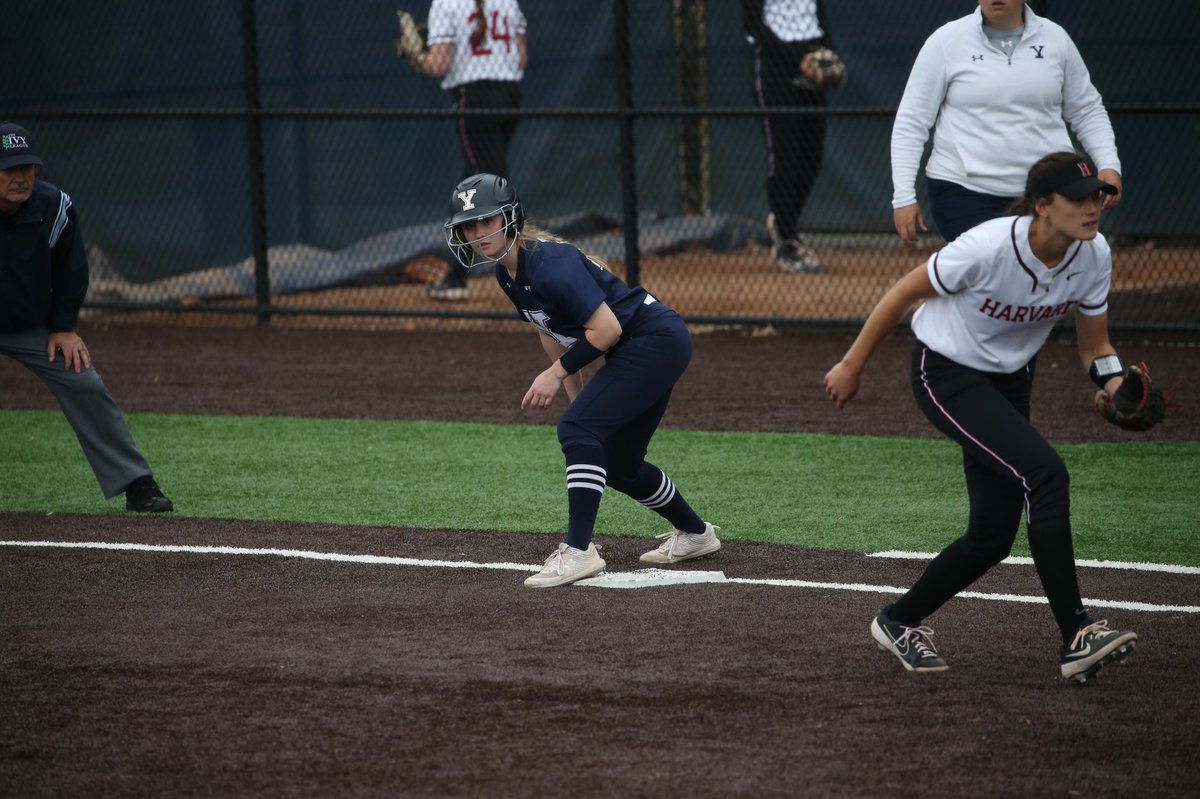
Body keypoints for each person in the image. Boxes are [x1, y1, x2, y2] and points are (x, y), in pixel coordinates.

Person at [824, 152, 1137, 684]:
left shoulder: (1093, 255)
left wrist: (1115, 382)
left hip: (1010, 380)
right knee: (1045, 473)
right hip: (945, 371)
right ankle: (1077, 634)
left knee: (992, 534)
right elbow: (903, 293)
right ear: (1042, 206)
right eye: (1079, 197)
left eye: (1098, 196)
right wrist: (851, 365)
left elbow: (1096, 346)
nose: (1093, 207)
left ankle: (898, 621)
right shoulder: (988, 246)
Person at [442, 173, 720, 588]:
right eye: (469, 226)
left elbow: (606, 330)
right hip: (642, 346)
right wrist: (578, 397)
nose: (479, 233)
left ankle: (579, 551)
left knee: (578, 430)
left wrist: (556, 378)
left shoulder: (549, 263)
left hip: (654, 340)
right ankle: (697, 535)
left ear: (511, 218)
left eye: (488, 221)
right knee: (619, 463)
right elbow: (550, 330)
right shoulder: (508, 272)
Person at [0, 122, 173, 513]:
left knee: (83, 379)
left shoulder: (54, 206)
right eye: (9, 168)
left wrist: (64, 327)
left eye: (26, 167)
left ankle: (136, 482)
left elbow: (72, 270)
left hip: (31, 324)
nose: (20, 178)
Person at [891, 0, 1122, 246]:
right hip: (964, 191)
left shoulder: (1056, 38)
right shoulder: (945, 41)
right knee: (992, 269)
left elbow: (1087, 110)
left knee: (1048, 273)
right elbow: (911, 121)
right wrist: (904, 196)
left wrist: (1108, 163)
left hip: (1047, 190)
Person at [400, 0, 527, 301]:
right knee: (472, 186)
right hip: (510, 97)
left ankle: (530, 274)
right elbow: (520, 59)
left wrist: (416, 56)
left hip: (475, 99)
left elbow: (438, 65)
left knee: (489, 188)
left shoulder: (446, 4)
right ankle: (455, 274)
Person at [743, 0, 843, 274]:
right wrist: (797, 60)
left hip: (811, 55)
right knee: (784, 157)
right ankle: (787, 241)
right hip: (776, 65)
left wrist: (828, 53)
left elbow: (819, 15)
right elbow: (754, 27)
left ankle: (783, 221)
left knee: (811, 157)